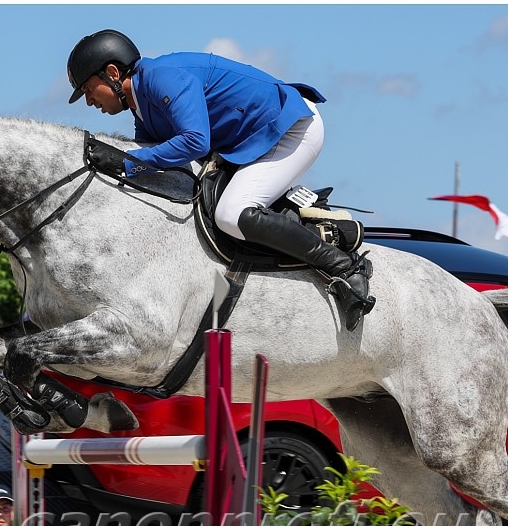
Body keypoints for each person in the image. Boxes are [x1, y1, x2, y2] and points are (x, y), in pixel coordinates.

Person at [67, 30, 374, 330]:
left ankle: (345, 268)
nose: (89, 101)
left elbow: (195, 142)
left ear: (111, 72)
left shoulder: (161, 76)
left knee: (231, 214)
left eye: (88, 89)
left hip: (290, 129)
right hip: (253, 143)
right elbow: (150, 161)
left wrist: (127, 162)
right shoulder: (142, 109)